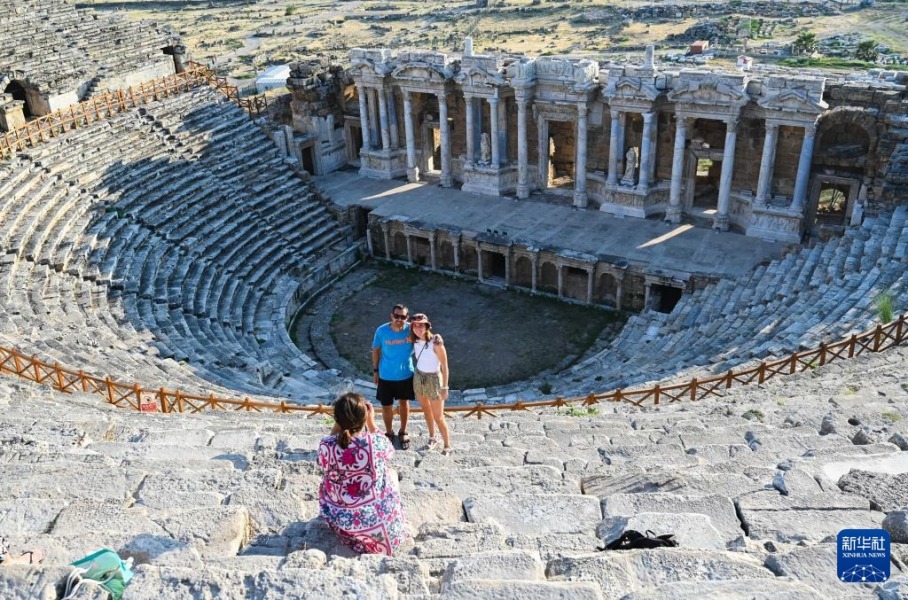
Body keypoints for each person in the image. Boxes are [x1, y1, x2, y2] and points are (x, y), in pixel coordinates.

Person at [317, 392, 405, 555]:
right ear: (364, 417)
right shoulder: (375, 442)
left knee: (326, 479)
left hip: (341, 522)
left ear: (337, 419)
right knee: (391, 473)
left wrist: (339, 424)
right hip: (379, 526)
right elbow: (390, 452)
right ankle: (391, 513)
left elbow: (322, 459)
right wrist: (371, 423)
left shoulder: (326, 445)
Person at [371, 303, 415, 449]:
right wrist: (375, 370)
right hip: (386, 375)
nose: (399, 319)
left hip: (405, 374)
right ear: (391, 316)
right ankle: (389, 432)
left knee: (404, 403)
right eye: (396, 316)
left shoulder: (412, 329)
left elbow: (426, 335)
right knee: (386, 406)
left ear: (407, 317)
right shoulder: (382, 331)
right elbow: (376, 350)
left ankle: (403, 431)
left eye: (403, 316)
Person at [409, 313, 453, 455]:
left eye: (421, 325)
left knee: (438, 416)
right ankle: (433, 437)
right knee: (426, 410)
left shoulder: (436, 343)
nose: (418, 328)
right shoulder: (414, 340)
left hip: (434, 380)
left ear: (427, 326)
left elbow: (445, 366)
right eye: (415, 325)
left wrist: (445, 387)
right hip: (419, 376)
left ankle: (447, 445)